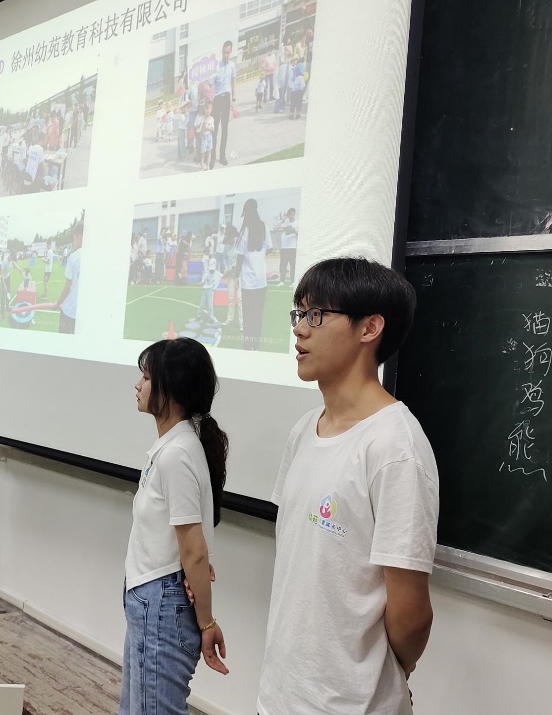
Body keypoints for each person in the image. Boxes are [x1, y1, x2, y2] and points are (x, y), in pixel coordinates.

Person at [257, 258, 438, 715]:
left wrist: (379, 675)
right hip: (279, 696)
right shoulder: (305, 429)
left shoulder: (395, 446)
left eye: (317, 314)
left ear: (370, 328)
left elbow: (411, 616)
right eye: (299, 313)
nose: (299, 329)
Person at [120, 337, 229, 715]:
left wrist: (207, 623)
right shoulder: (171, 448)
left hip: (161, 605)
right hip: (151, 600)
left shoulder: (177, 454)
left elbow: (194, 551)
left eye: (147, 377)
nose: (137, 385)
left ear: (170, 390)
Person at [233, 199, 269, 350]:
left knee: (248, 317)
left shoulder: (244, 231)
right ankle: (256, 346)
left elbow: (240, 257)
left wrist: (236, 277)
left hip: (248, 282)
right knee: (258, 316)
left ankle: (248, 347)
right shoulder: (264, 227)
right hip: (261, 281)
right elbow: (269, 247)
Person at [56, 220, 83, 334]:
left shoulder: (74, 257)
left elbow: (67, 287)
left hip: (69, 312)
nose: (73, 242)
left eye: (73, 239)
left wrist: (57, 303)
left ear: (79, 237)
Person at [212, 40, 236, 166]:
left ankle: (222, 155)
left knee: (225, 130)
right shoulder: (216, 66)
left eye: (228, 52)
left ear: (230, 52)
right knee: (214, 129)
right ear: (222, 51)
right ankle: (212, 156)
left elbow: (233, 81)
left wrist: (233, 98)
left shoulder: (232, 65)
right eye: (224, 52)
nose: (226, 55)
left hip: (226, 99)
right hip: (217, 100)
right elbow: (211, 85)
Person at [278, 208, 299, 286]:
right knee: (283, 265)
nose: (291, 216)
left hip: (292, 247)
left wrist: (294, 230)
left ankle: (293, 281)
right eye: (289, 214)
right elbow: (277, 227)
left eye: (292, 214)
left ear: (294, 214)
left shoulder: (297, 223)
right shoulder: (286, 222)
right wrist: (284, 218)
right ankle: (281, 281)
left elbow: (299, 234)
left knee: (292, 265)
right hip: (284, 247)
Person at [197, 259, 220, 324]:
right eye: (210, 269)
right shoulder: (206, 272)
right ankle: (199, 315)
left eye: (212, 270)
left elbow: (223, 276)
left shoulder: (217, 274)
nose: (211, 271)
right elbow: (203, 281)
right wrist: (199, 283)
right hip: (205, 290)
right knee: (202, 304)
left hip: (210, 290)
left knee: (210, 305)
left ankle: (211, 317)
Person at [200, 102, 215, 171]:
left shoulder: (212, 119)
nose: (208, 110)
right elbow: (200, 129)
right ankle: (202, 166)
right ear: (204, 109)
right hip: (204, 137)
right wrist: (203, 128)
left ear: (211, 110)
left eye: (209, 109)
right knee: (202, 152)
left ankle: (208, 166)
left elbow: (213, 129)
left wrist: (207, 128)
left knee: (209, 151)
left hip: (209, 136)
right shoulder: (202, 118)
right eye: (207, 109)